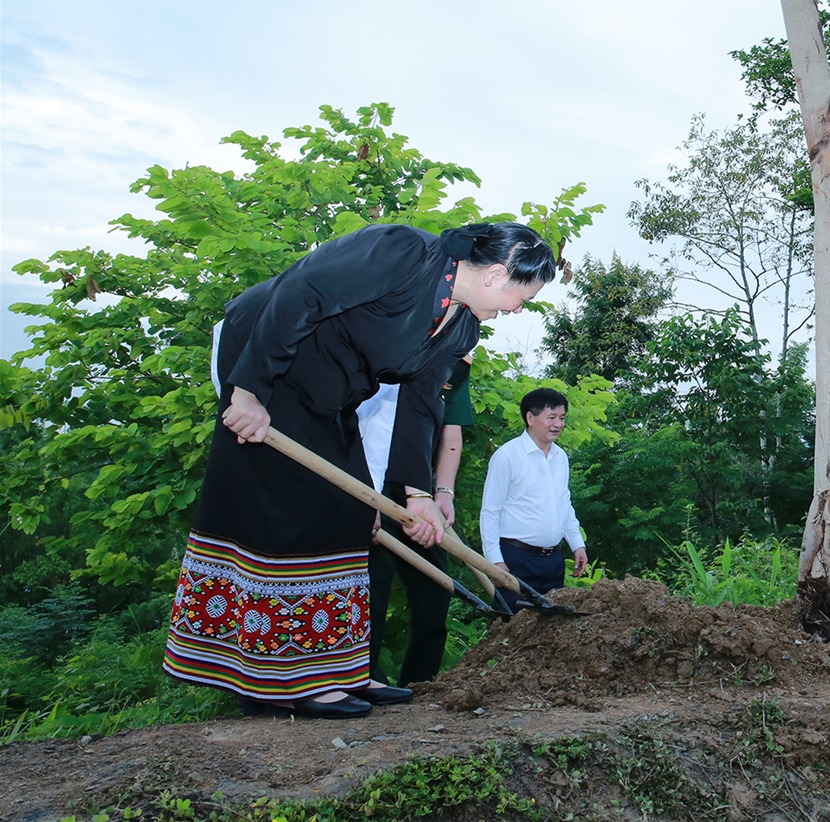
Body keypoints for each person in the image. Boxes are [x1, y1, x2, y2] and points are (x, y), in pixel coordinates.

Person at [166, 222, 555, 719]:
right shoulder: (403, 252)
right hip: (270, 363)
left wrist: (418, 495)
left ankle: (343, 667)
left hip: (333, 397)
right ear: (496, 274)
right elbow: (299, 291)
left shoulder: (461, 325)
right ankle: (285, 678)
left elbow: (421, 403)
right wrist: (248, 389)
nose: (516, 310)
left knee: (353, 514)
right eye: (521, 297)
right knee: (293, 512)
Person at [359, 355, 474, 687]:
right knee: (372, 587)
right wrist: (367, 497)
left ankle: (422, 681)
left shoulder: (458, 363)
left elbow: (451, 434)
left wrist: (444, 493)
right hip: (373, 482)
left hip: (420, 493)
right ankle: (364, 679)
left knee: (436, 588)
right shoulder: (391, 344)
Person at [480, 387, 589, 611]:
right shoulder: (507, 456)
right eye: (551, 417)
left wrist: (577, 544)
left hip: (552, 561)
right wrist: (494, 561)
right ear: (530, 418)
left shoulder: (560, 458)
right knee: (511, 628)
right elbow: (490, 511)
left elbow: (563, 504)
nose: (558, 424)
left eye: (561, 418)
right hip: (515, 559)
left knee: (550, 630)